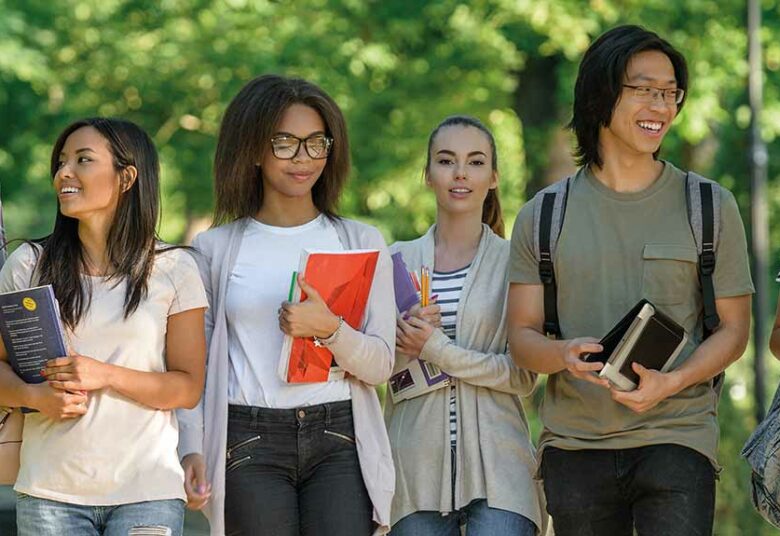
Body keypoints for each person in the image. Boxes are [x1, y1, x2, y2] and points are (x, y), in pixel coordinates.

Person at [507, 25, 753, 536]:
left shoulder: (709, 206)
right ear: (601, 94)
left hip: (678, 437)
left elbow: (734, 330)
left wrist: (674, 382)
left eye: (670, 93)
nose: (660, 106)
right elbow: (522, 337)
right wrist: (563, 354)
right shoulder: (543, 215)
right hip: (575, 447)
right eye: (644, 89)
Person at [178, 74, 396, 536]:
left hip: (340, 437)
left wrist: (330, 329)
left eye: (317, 143)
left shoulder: (360, 241)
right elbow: (192, 369)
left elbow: (380, 366)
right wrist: (190, 448)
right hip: (248, 439)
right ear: (254, 150)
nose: (304, 158)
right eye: (285, 143)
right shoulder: (214, 249)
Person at [0, 117, 208, 536]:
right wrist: (34, 396)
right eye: (61, 162)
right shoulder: (28, 264)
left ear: (127, 176)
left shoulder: (174, 269)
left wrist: (104, 374)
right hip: (50, 496)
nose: (64, 173)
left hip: (147, 493)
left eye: (83, 160)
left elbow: (187, 388)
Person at [387, 115, 543, 535]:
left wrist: (437, 348)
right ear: (427, 175)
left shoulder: (516, 264)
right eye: (445, 160)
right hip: (413, 475)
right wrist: (402, 342)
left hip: (501, 474)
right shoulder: (393, 261)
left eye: (475, 162)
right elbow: (376, 373)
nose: (460, 173)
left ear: (493, 178)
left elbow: (524, 374)